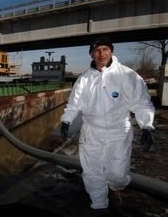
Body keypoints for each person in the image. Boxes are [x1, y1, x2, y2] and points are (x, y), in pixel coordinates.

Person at [60, 37, 155, 212]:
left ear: (111, 51)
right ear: (91, 54)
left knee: (117, 174)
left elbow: (141, 102)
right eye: (97, 50)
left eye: (105, 49)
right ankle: (99, 205)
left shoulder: (127, 75)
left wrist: (147, 125)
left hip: (118, 130)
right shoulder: (84, 79)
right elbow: (74, 104)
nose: (101, 53)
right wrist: (66, 120)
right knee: (92, 171)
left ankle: (115, 188)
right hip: (92, 131)